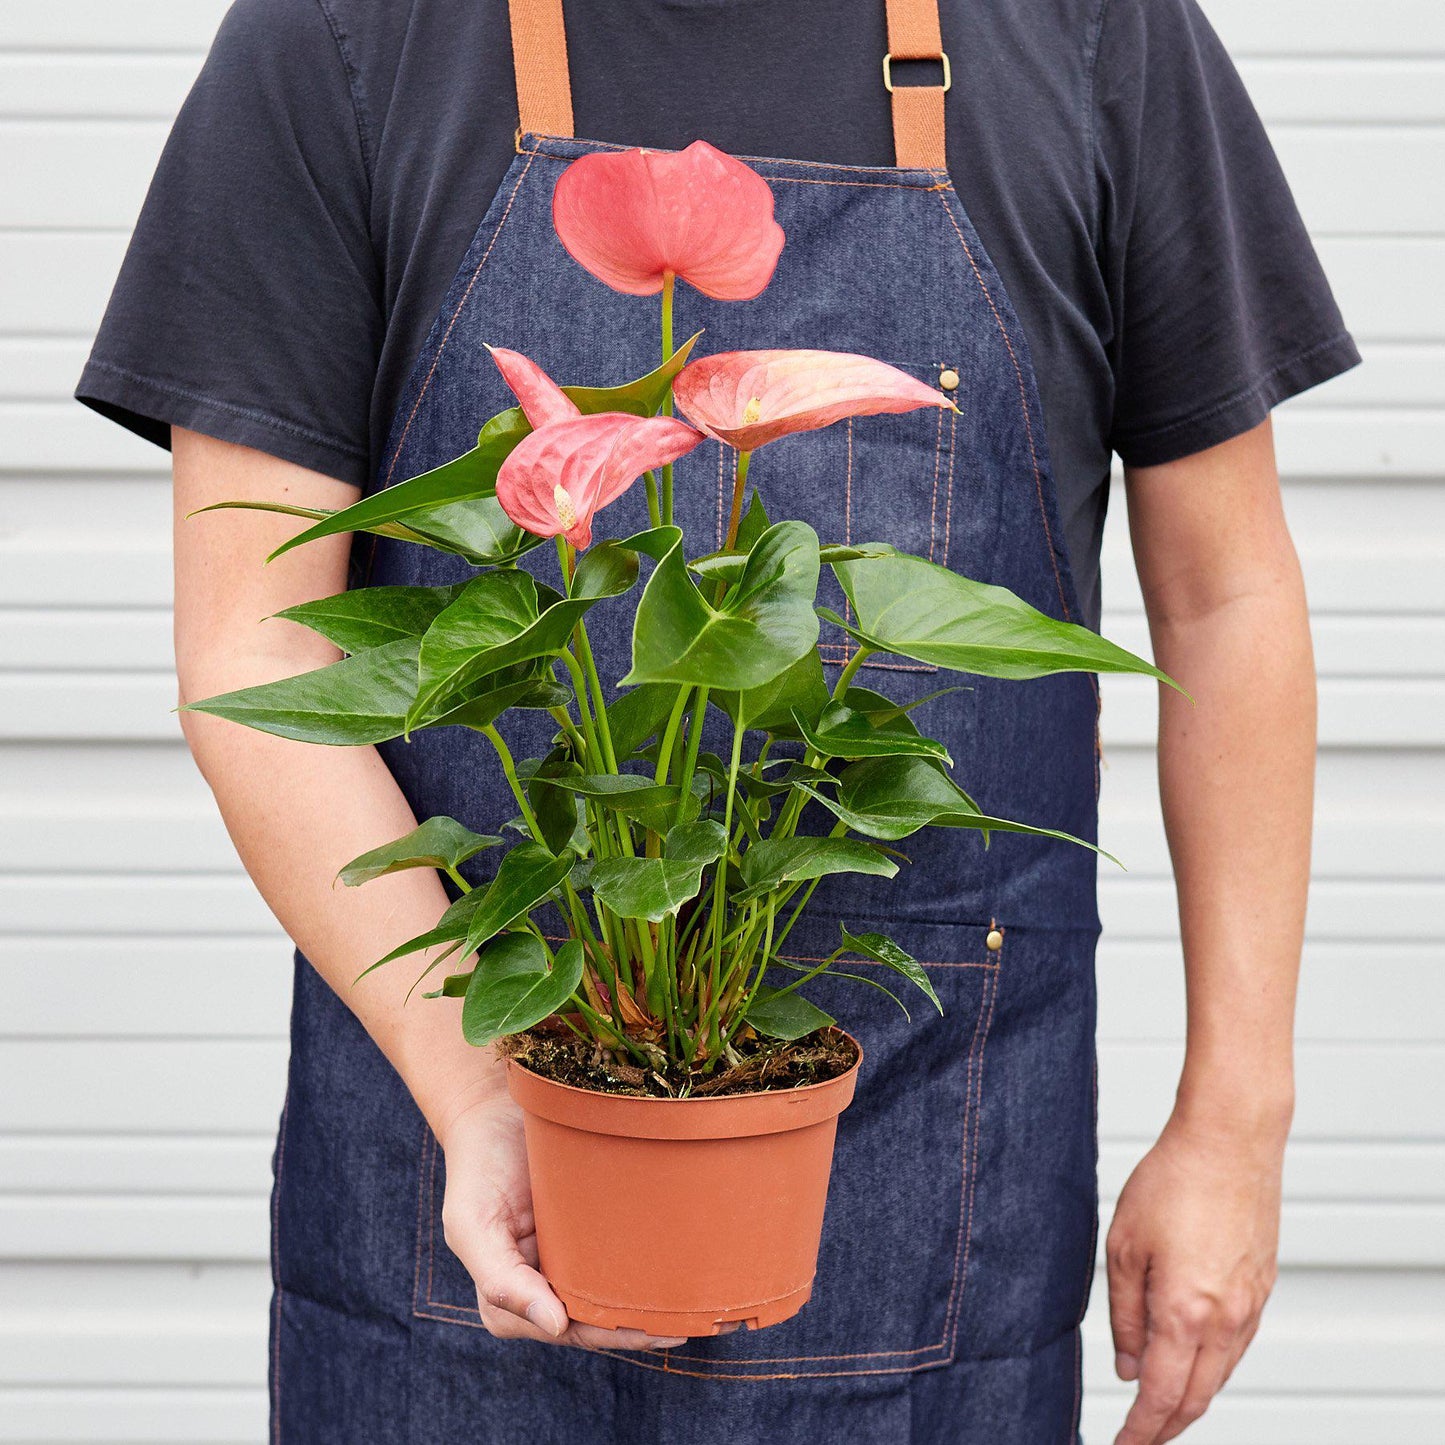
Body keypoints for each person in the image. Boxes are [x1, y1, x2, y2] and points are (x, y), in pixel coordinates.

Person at [77, 1, 1355, 1441]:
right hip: (459, 1165)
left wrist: (1234, 1124)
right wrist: (479, 1099)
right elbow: (255, 644)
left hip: (930, 1179)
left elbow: (1225, 600)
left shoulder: (1090, 31)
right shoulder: (346, 36)